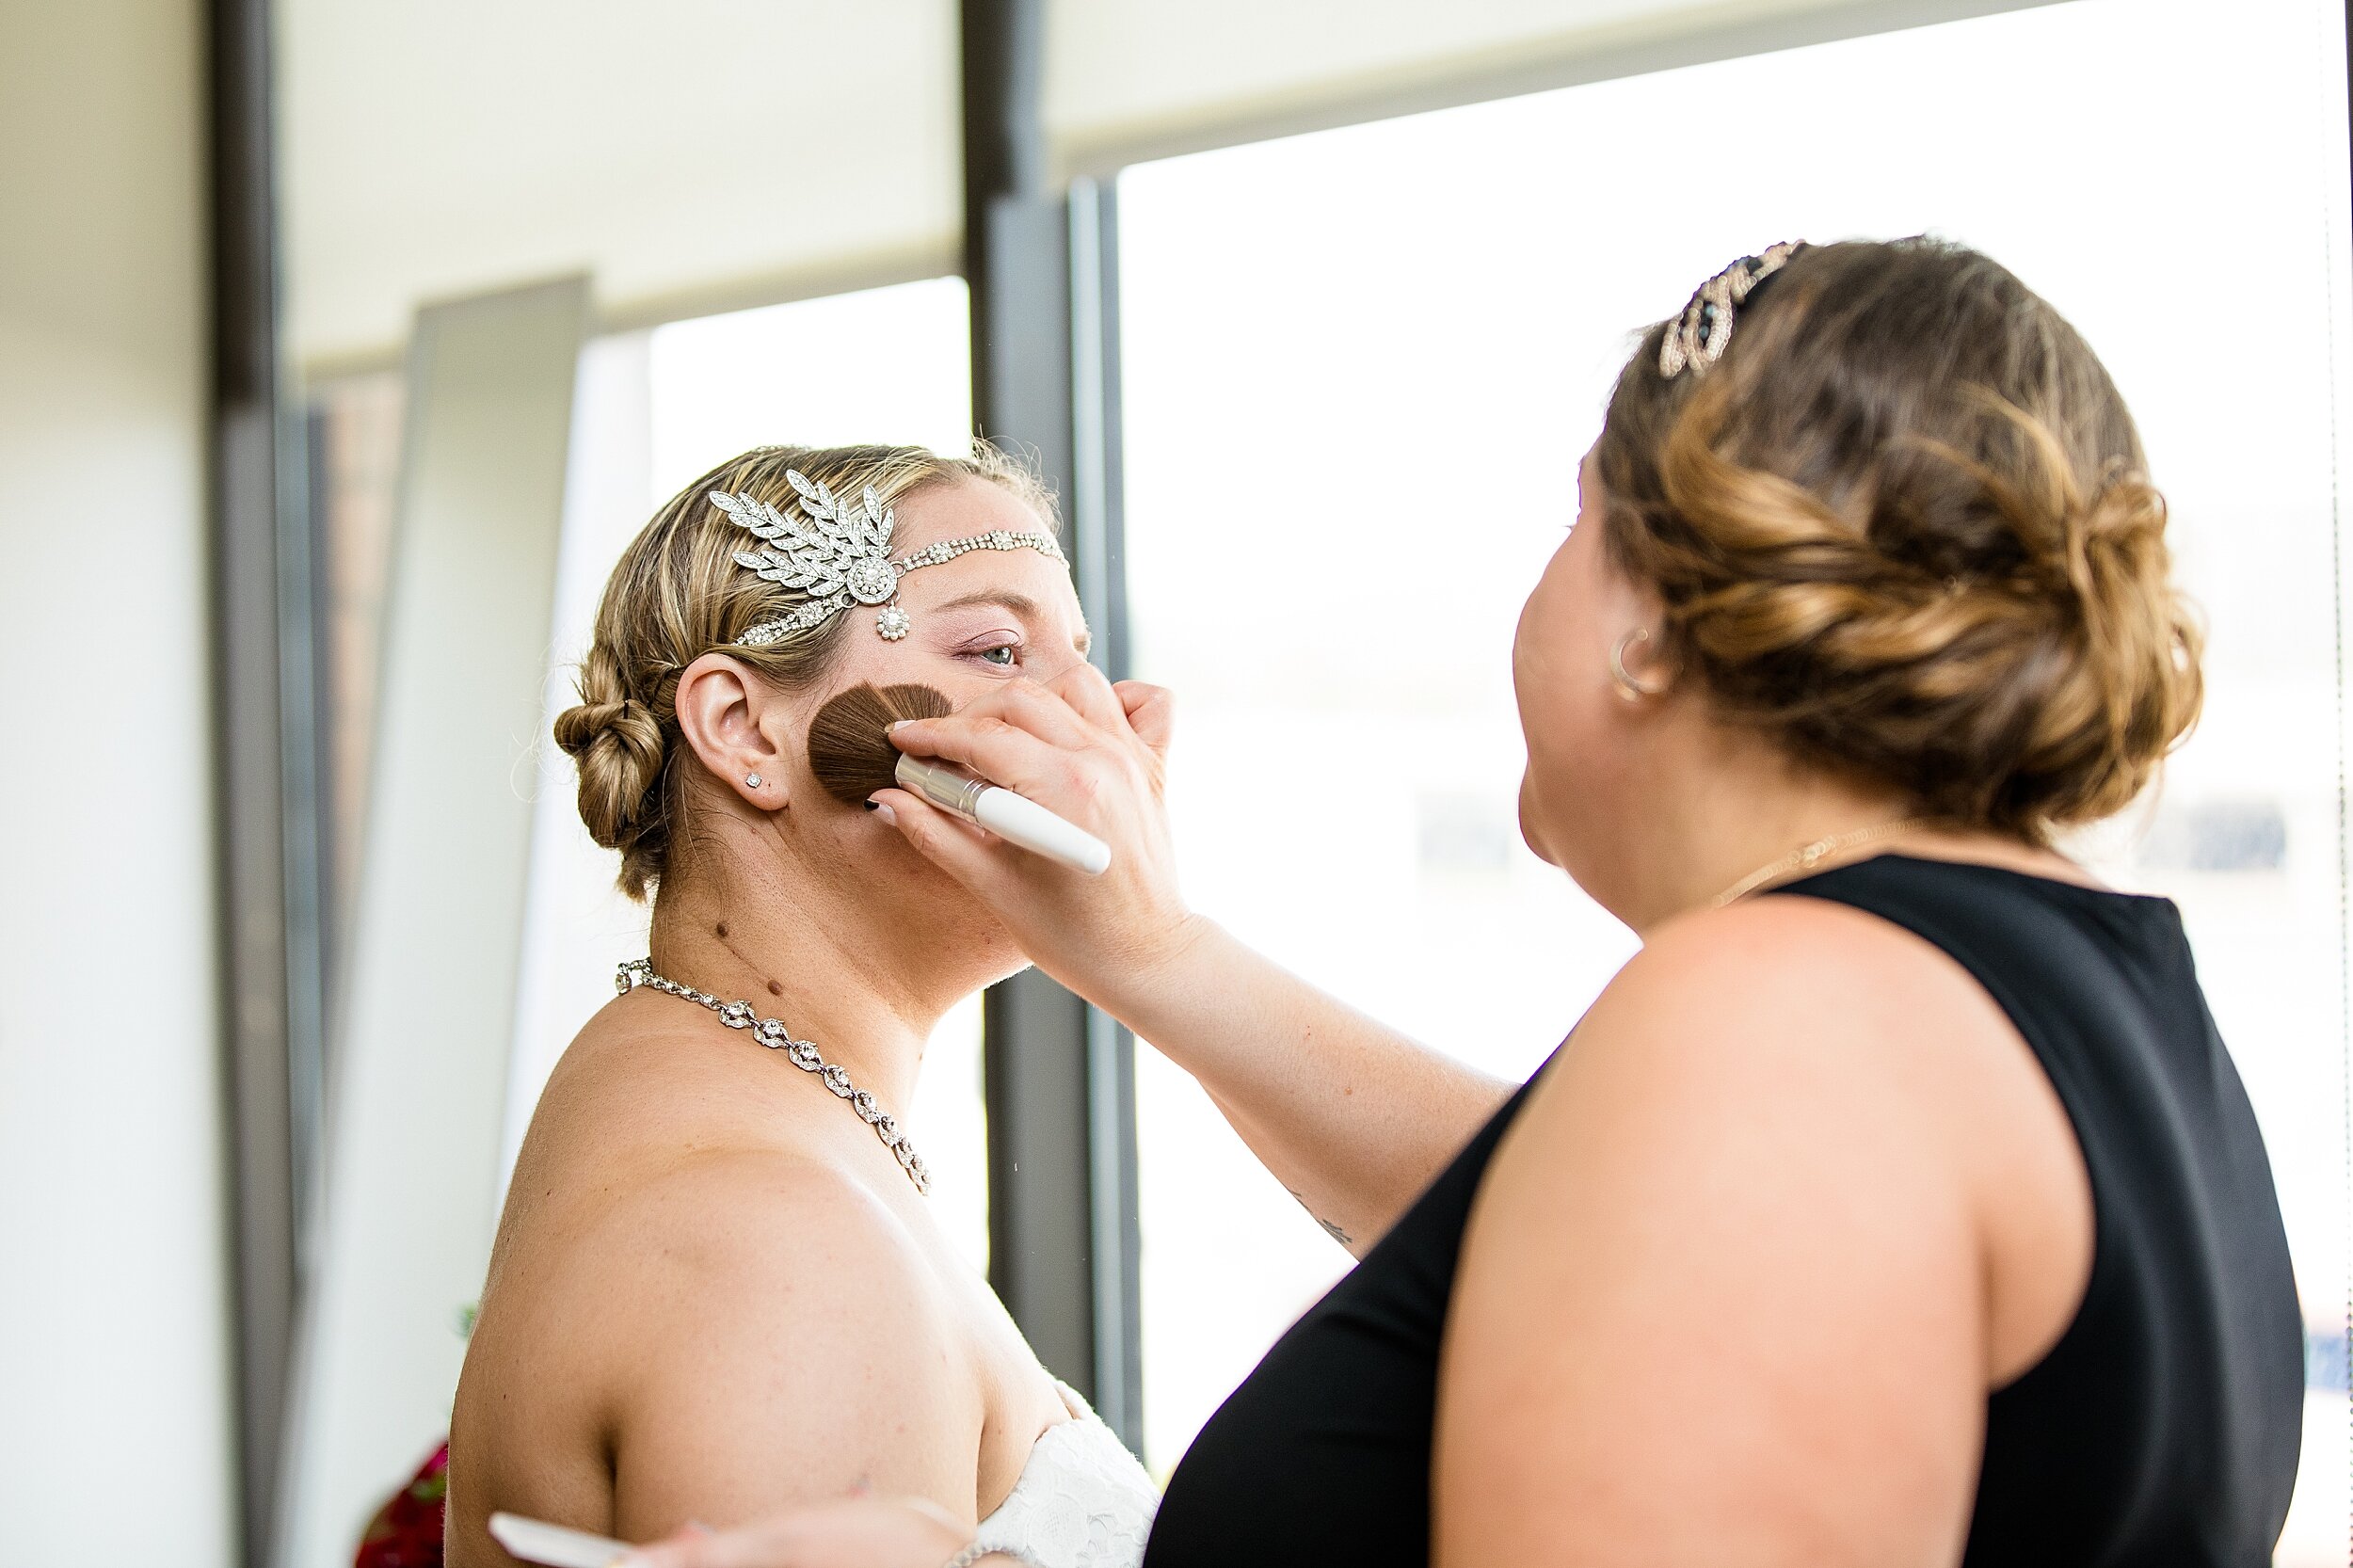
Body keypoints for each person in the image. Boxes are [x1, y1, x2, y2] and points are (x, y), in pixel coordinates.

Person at [624, 239, 2304, 1568]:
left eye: (1577, 519)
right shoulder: (2075, 993)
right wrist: (1151, 958)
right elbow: (1565, 1226)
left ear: (1655, 614)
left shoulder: (1778, 1028)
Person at [445, 444, 1160, 1568]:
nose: (1098, 721)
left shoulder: (689, 1086)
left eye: (1083, 659)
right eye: (997, 650)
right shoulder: (783, 1252)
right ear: (742, 727)